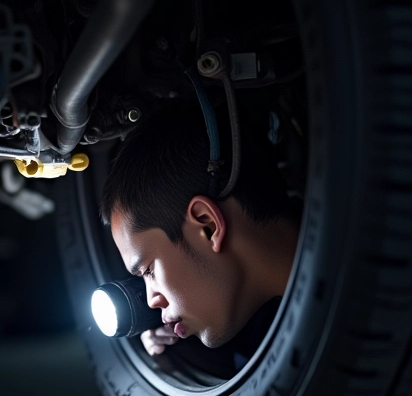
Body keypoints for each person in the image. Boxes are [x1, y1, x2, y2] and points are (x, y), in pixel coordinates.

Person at [100, 104, 301, 369]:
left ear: (207, 225)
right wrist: (178, 361)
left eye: (148, 271)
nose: (151, 300)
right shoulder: (261, 340)